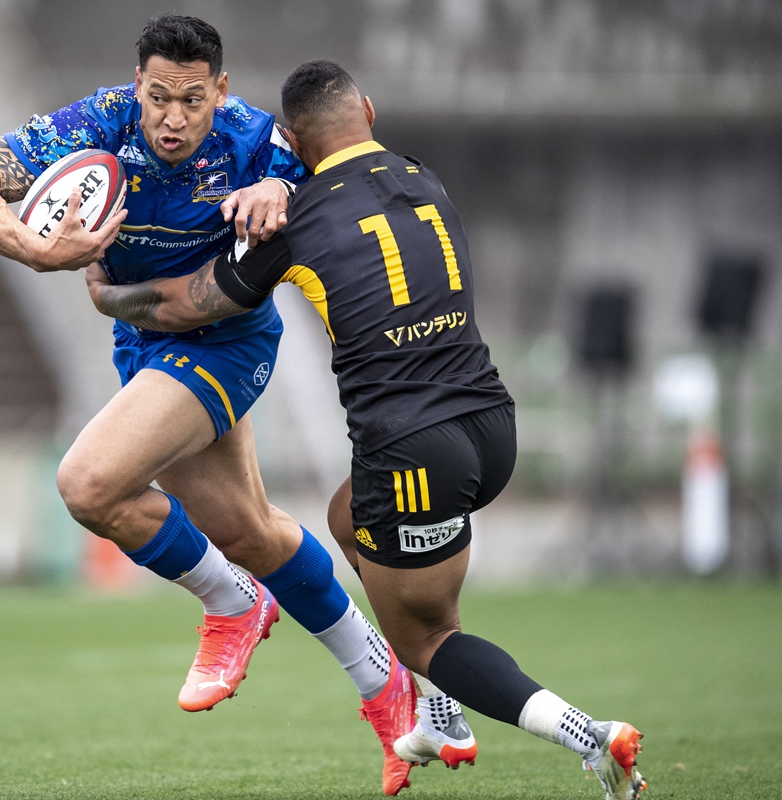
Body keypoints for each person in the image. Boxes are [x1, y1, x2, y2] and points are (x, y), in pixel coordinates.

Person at [84, 59, 647, 800]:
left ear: (290, 140)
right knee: (345, 518)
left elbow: (189, 307)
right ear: (369, 113)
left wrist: (103, 289)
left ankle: (592, 737)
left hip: (413, 448)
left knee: (430, 637)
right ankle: (439, 712)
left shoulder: (300, 216)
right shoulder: (423, 175)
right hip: (490, 425)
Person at [0, 17, 417, 795]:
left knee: (88, 484)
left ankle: (233, 604)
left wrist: (280, 187)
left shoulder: (256, 138)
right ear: (137, 87)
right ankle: (388, 689)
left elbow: (344, 179)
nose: (174, 118)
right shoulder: (96, 124)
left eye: (193, 100)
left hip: (226, 344)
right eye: (159, 98)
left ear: (220, 91)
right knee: (248, 531)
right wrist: (36, 248)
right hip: (144, 344)